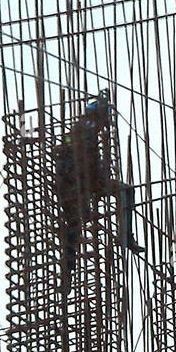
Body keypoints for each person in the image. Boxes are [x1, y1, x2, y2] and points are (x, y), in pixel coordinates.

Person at [54, 91, 142, 296]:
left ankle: (67, 279)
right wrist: (86, 202)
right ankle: (126, 237)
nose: (106, 123)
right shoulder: (88, 130)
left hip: (81, 184)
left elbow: (75, 152)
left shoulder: (80, 129)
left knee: (73, 232)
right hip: (74, 188)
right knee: (75, 229)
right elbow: (82, 164)